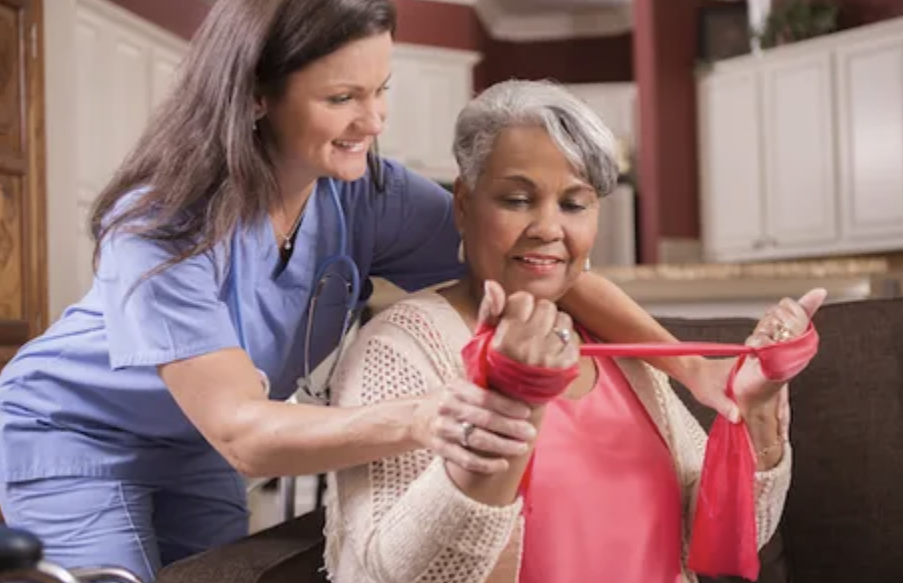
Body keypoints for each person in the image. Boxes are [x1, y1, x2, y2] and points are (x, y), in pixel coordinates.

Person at [0, 0, 752, 580]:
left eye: (380, 90)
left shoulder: (364, 193)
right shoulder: (162, 226)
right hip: (77, 432)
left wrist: (690, 367)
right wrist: (428, 416)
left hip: (192, 448)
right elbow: (244, 432)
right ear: (257, 94)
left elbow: (533, 259)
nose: (374, 121)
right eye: (343, 97)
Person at [323, 79, 826, 583]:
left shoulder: (620, 349)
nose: (548, 227)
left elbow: (719, 536)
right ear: (463, 204)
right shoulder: (399, 347)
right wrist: (507, 410)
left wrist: (756, 411)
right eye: (517, 199)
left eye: (574, 204)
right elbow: (397, 574)